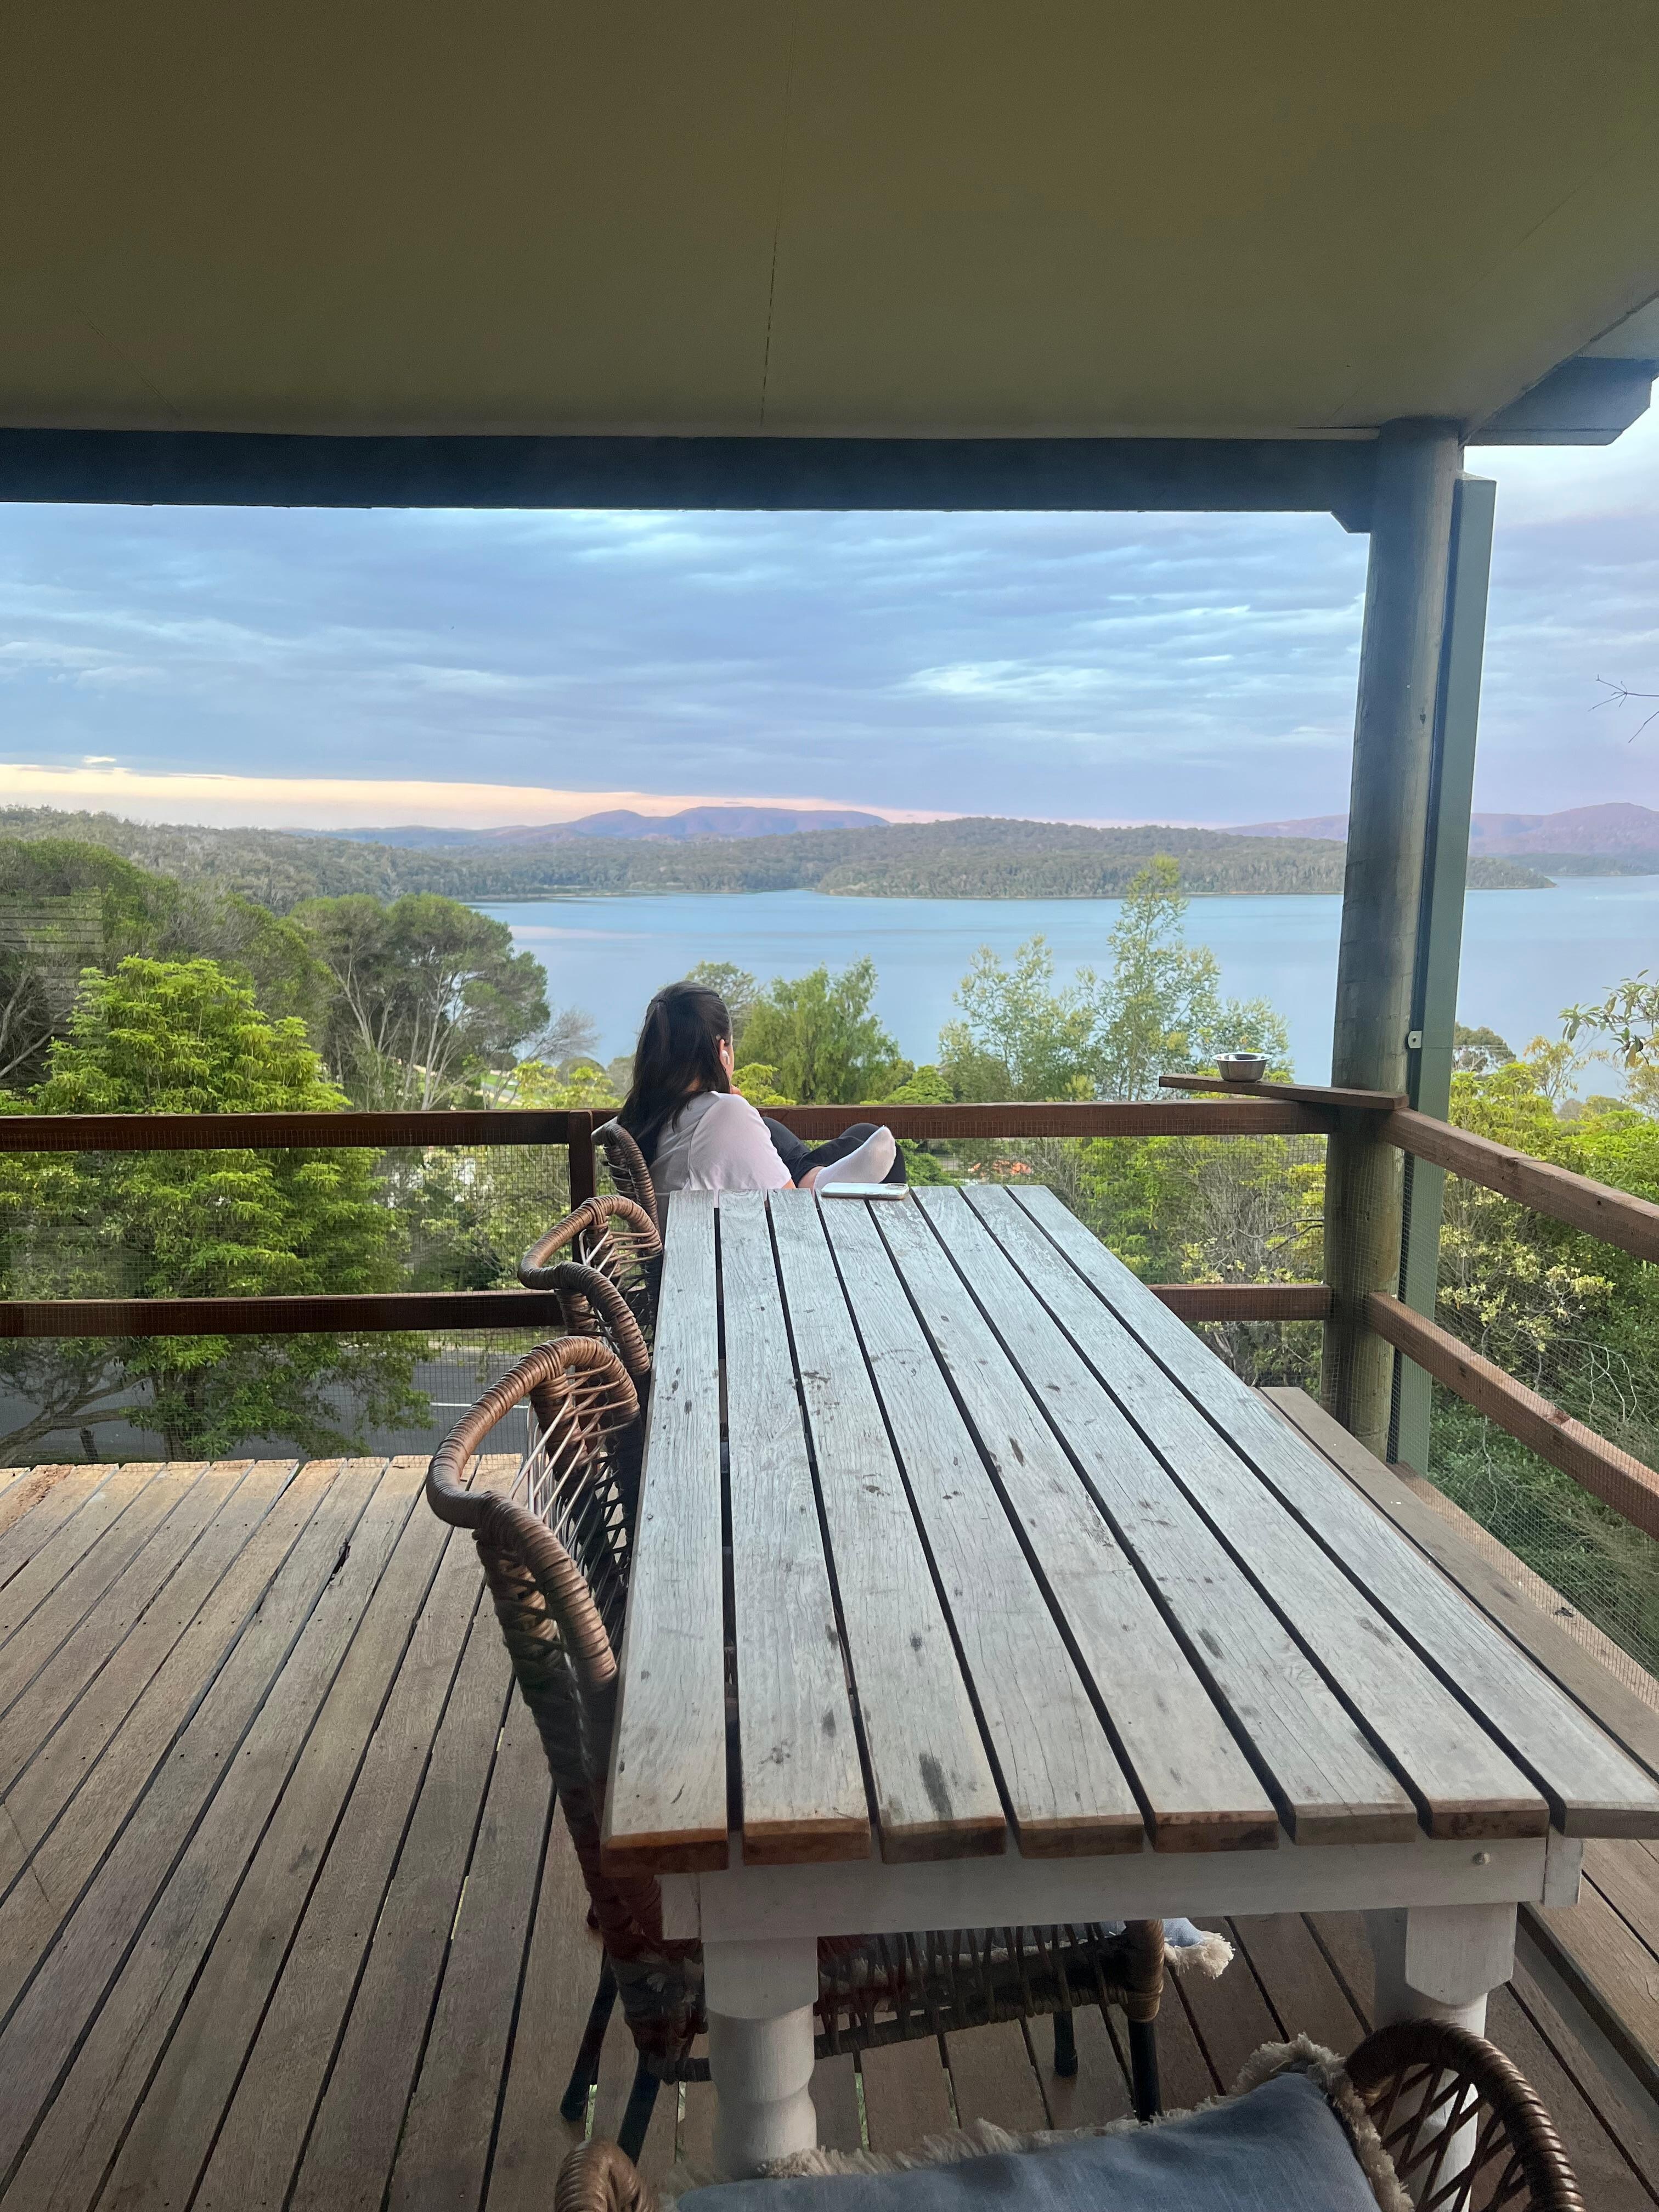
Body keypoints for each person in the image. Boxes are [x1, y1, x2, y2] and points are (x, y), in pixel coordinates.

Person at [617, 980, 906, 1195]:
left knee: (859, 1133)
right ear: (723, 1049)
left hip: (693, 1248)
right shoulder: (722, 1114)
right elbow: (791, 1206)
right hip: (741, 1262)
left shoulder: (644, 1114)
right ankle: (815, 1181)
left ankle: (813, 1174)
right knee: (875, 1145)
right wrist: (728, 1104)